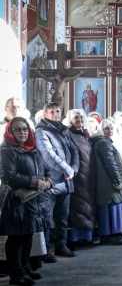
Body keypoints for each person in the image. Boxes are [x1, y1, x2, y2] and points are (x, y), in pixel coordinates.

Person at [0, 117, 52, 286]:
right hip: (17, 200)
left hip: (34, 200)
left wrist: (49, 181)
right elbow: (9, 176)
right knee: (16, 238)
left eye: (24, 129)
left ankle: (25, 267)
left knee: (29, 235)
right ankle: (16, 274)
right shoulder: (7, 151)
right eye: (17, 130)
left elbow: (45, 169)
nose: (22, 132)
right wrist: (35, 182)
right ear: (10, 132)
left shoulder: (33, 149)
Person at [35, 103, 79, 260]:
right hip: (51, 180)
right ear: (45, 114)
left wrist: (74, 168)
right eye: (51, 111)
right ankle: (46, 250)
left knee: (62, 217)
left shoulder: (63, 129)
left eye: (58, 111)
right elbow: (48, 154)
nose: (55, 114)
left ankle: (61, 245)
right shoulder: (41, 131)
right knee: (47, 217)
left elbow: (74, 150)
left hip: (67, 180)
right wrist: (67, 170)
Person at [91, 119, 122, 246]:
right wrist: (117, 180)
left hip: (106, 181)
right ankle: (110, 235)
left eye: (111, 128)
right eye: (106, 129)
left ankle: (111, 234)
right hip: (108, 181)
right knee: (110, 209)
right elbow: (110, 164)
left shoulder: (102, 142)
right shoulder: (103, 143)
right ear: (101, 130)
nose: (109, 131)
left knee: (108, 208)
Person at [65, 110, 95, 247]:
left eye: (81, 118)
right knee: (78, 207)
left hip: (88, 174)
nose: (79, 120)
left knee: (88, 206)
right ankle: (76, 239)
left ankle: (87, 237)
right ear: (70, 120)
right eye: (76, 118)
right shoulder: (68, 134)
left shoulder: (85, 134)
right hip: (77, 175)